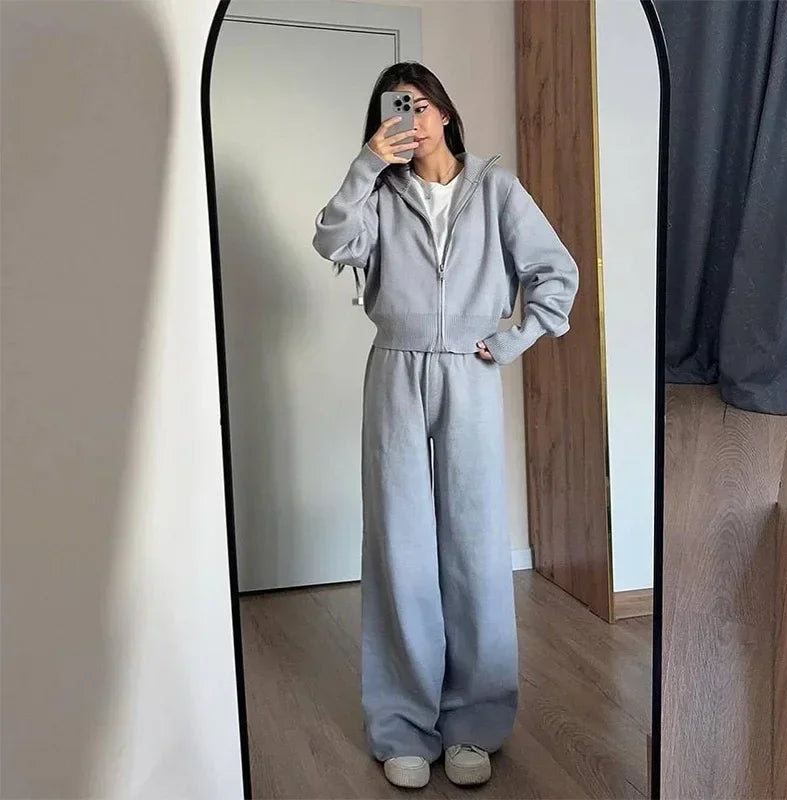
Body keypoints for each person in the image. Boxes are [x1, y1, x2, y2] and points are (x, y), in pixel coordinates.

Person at [312, 61, 579, 789]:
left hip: (470, 370)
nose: (412, 118)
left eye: (423, 104)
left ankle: (474, 723)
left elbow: (557, 273)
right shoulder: (378, 193)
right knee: (399, 546)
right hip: (395, 369)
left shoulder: (496, 188)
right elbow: (332, 241)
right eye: (397, 108)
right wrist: (367, 164)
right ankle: (403, 724)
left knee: (475, 545)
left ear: (447, 113)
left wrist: (513, 339)